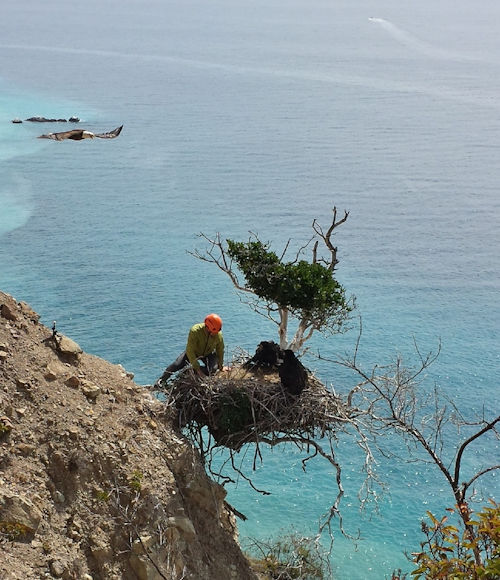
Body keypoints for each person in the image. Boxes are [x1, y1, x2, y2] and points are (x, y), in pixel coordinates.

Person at [156, 313, 224, 385]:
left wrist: (221, 366)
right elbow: (190, 350)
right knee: (176, 365)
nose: (215, 334)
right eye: (213, 333)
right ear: (207, 328)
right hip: (193, 352)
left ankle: (190, 371)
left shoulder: (218, 335)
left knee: (213, 369)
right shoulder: (195, 331)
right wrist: (198, 370)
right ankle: (161, 381)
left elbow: (220, 350)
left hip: (208, 353)